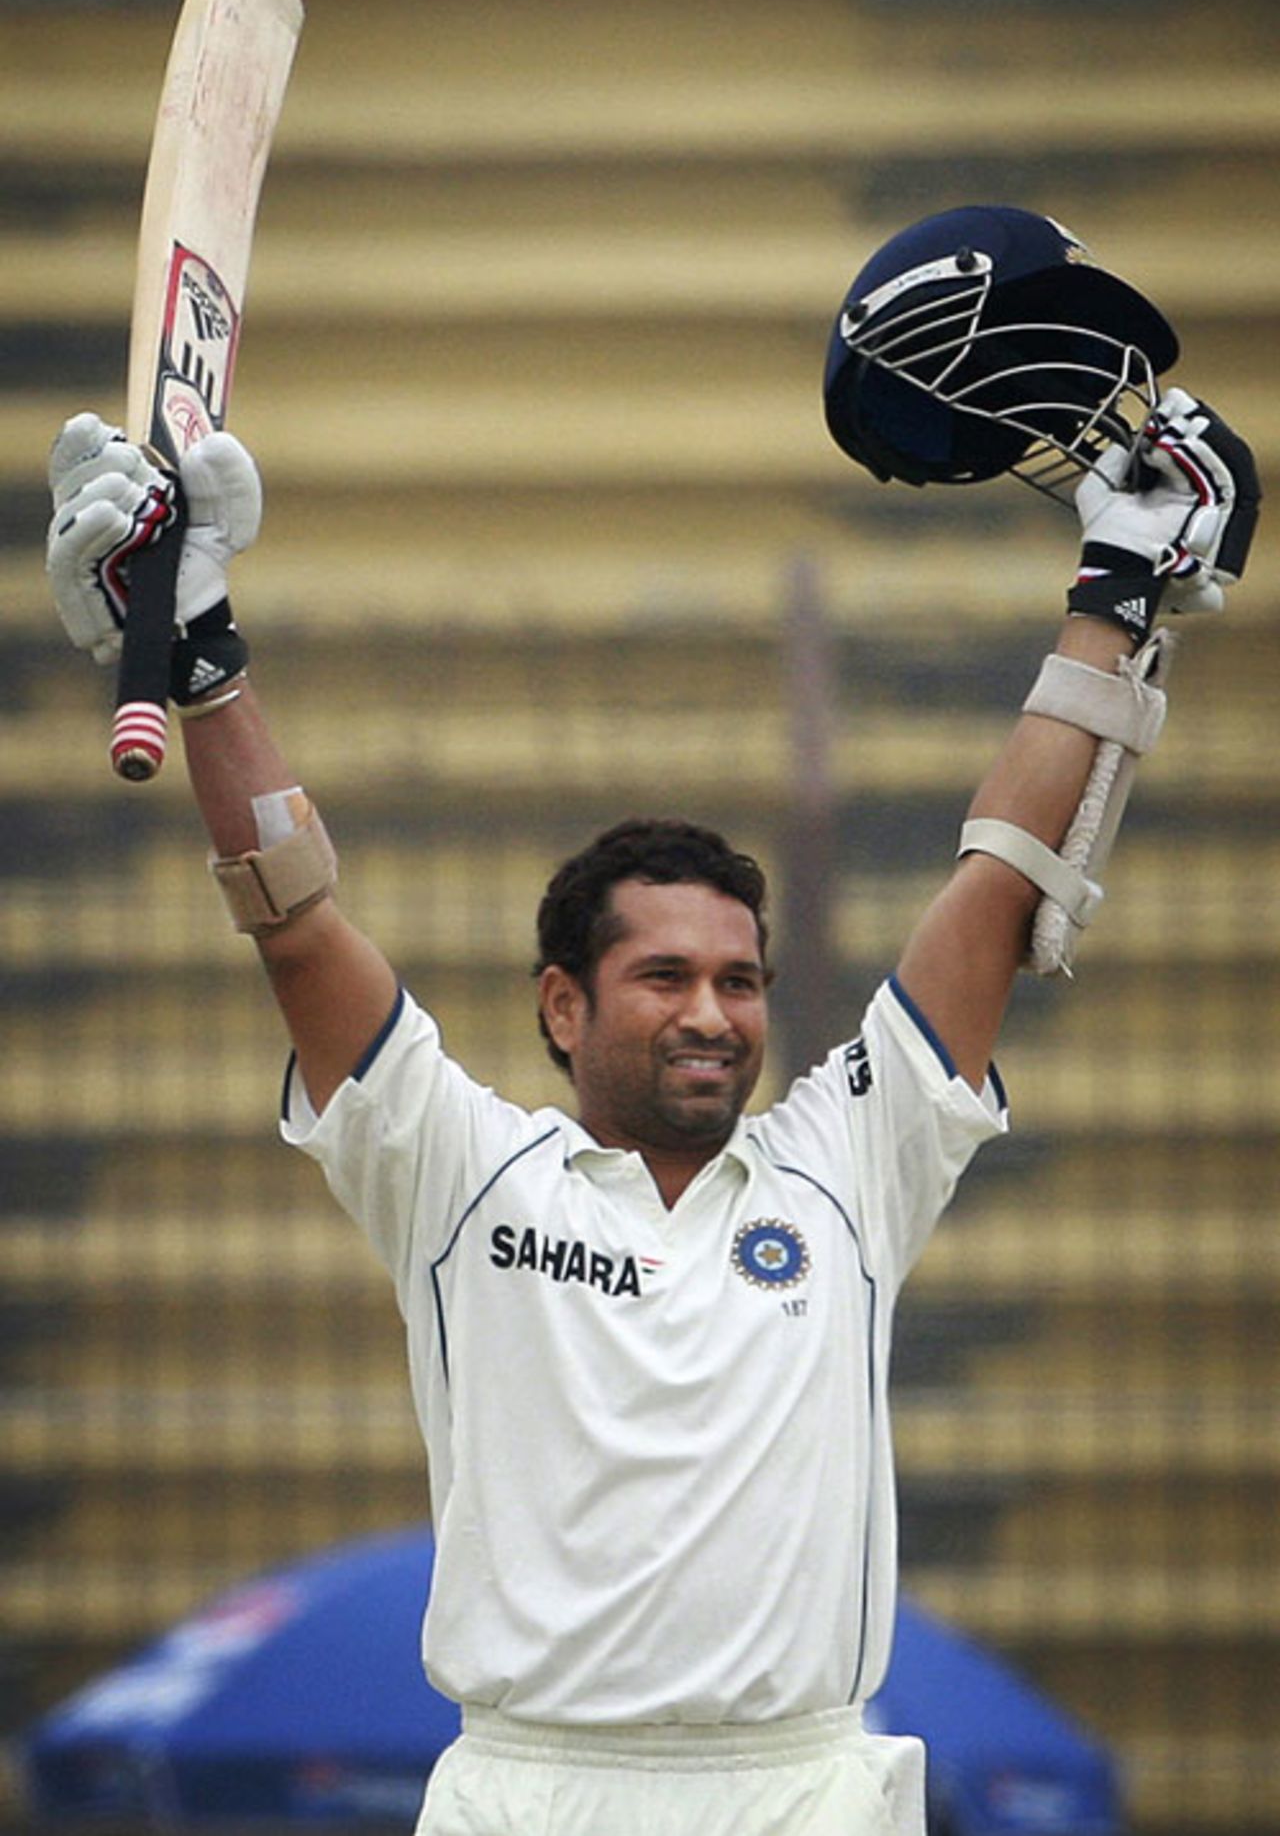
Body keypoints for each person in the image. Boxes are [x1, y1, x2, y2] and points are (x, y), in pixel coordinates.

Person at [45, 206, 1257, 1836]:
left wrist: (1115, 593)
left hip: (805, 1791)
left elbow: (998, 889)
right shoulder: (462, 1174)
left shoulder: (847, 1167)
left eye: (740, 980)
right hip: (530, 1792)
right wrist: (200, 660)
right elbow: (294, 918)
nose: (715, 1014)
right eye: (666, 978)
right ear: (563, 1005)